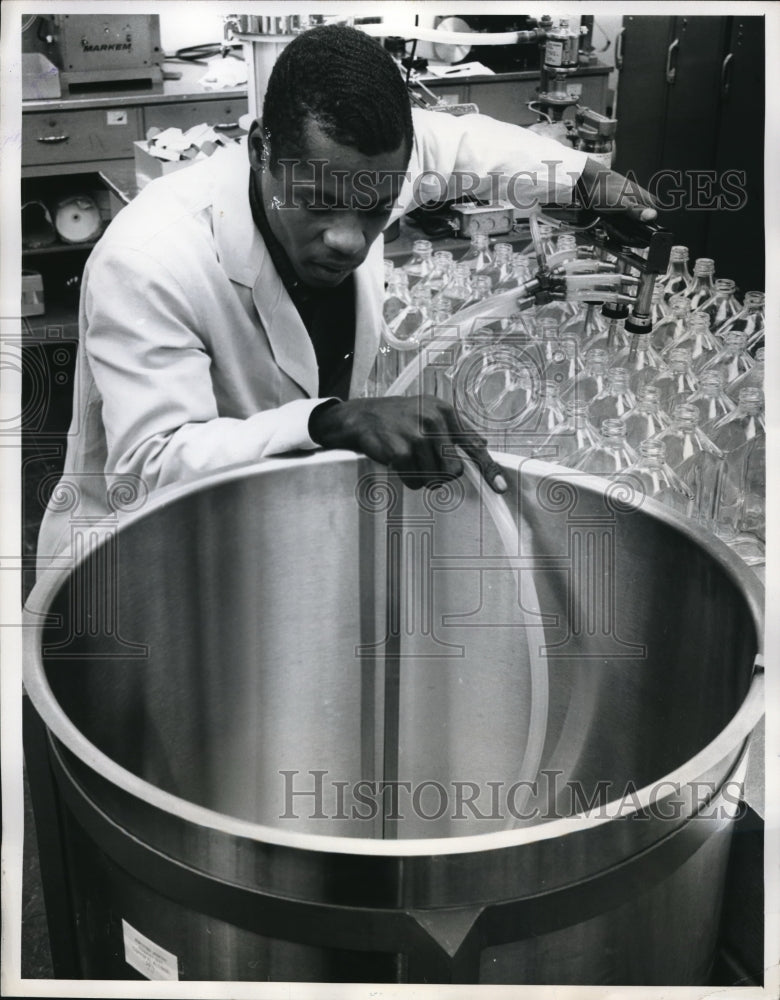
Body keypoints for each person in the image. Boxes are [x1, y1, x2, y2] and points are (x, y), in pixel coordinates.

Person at [35, 24, 656, 572]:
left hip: (274, 538)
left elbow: (459, 144)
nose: (348, 239)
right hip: (135, 567)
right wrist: (331, 420)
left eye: (375, 210)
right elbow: (152, 465)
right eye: (318, 204)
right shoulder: (150, 259)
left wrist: (582, 177)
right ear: (261, 150)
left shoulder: (362, 171)